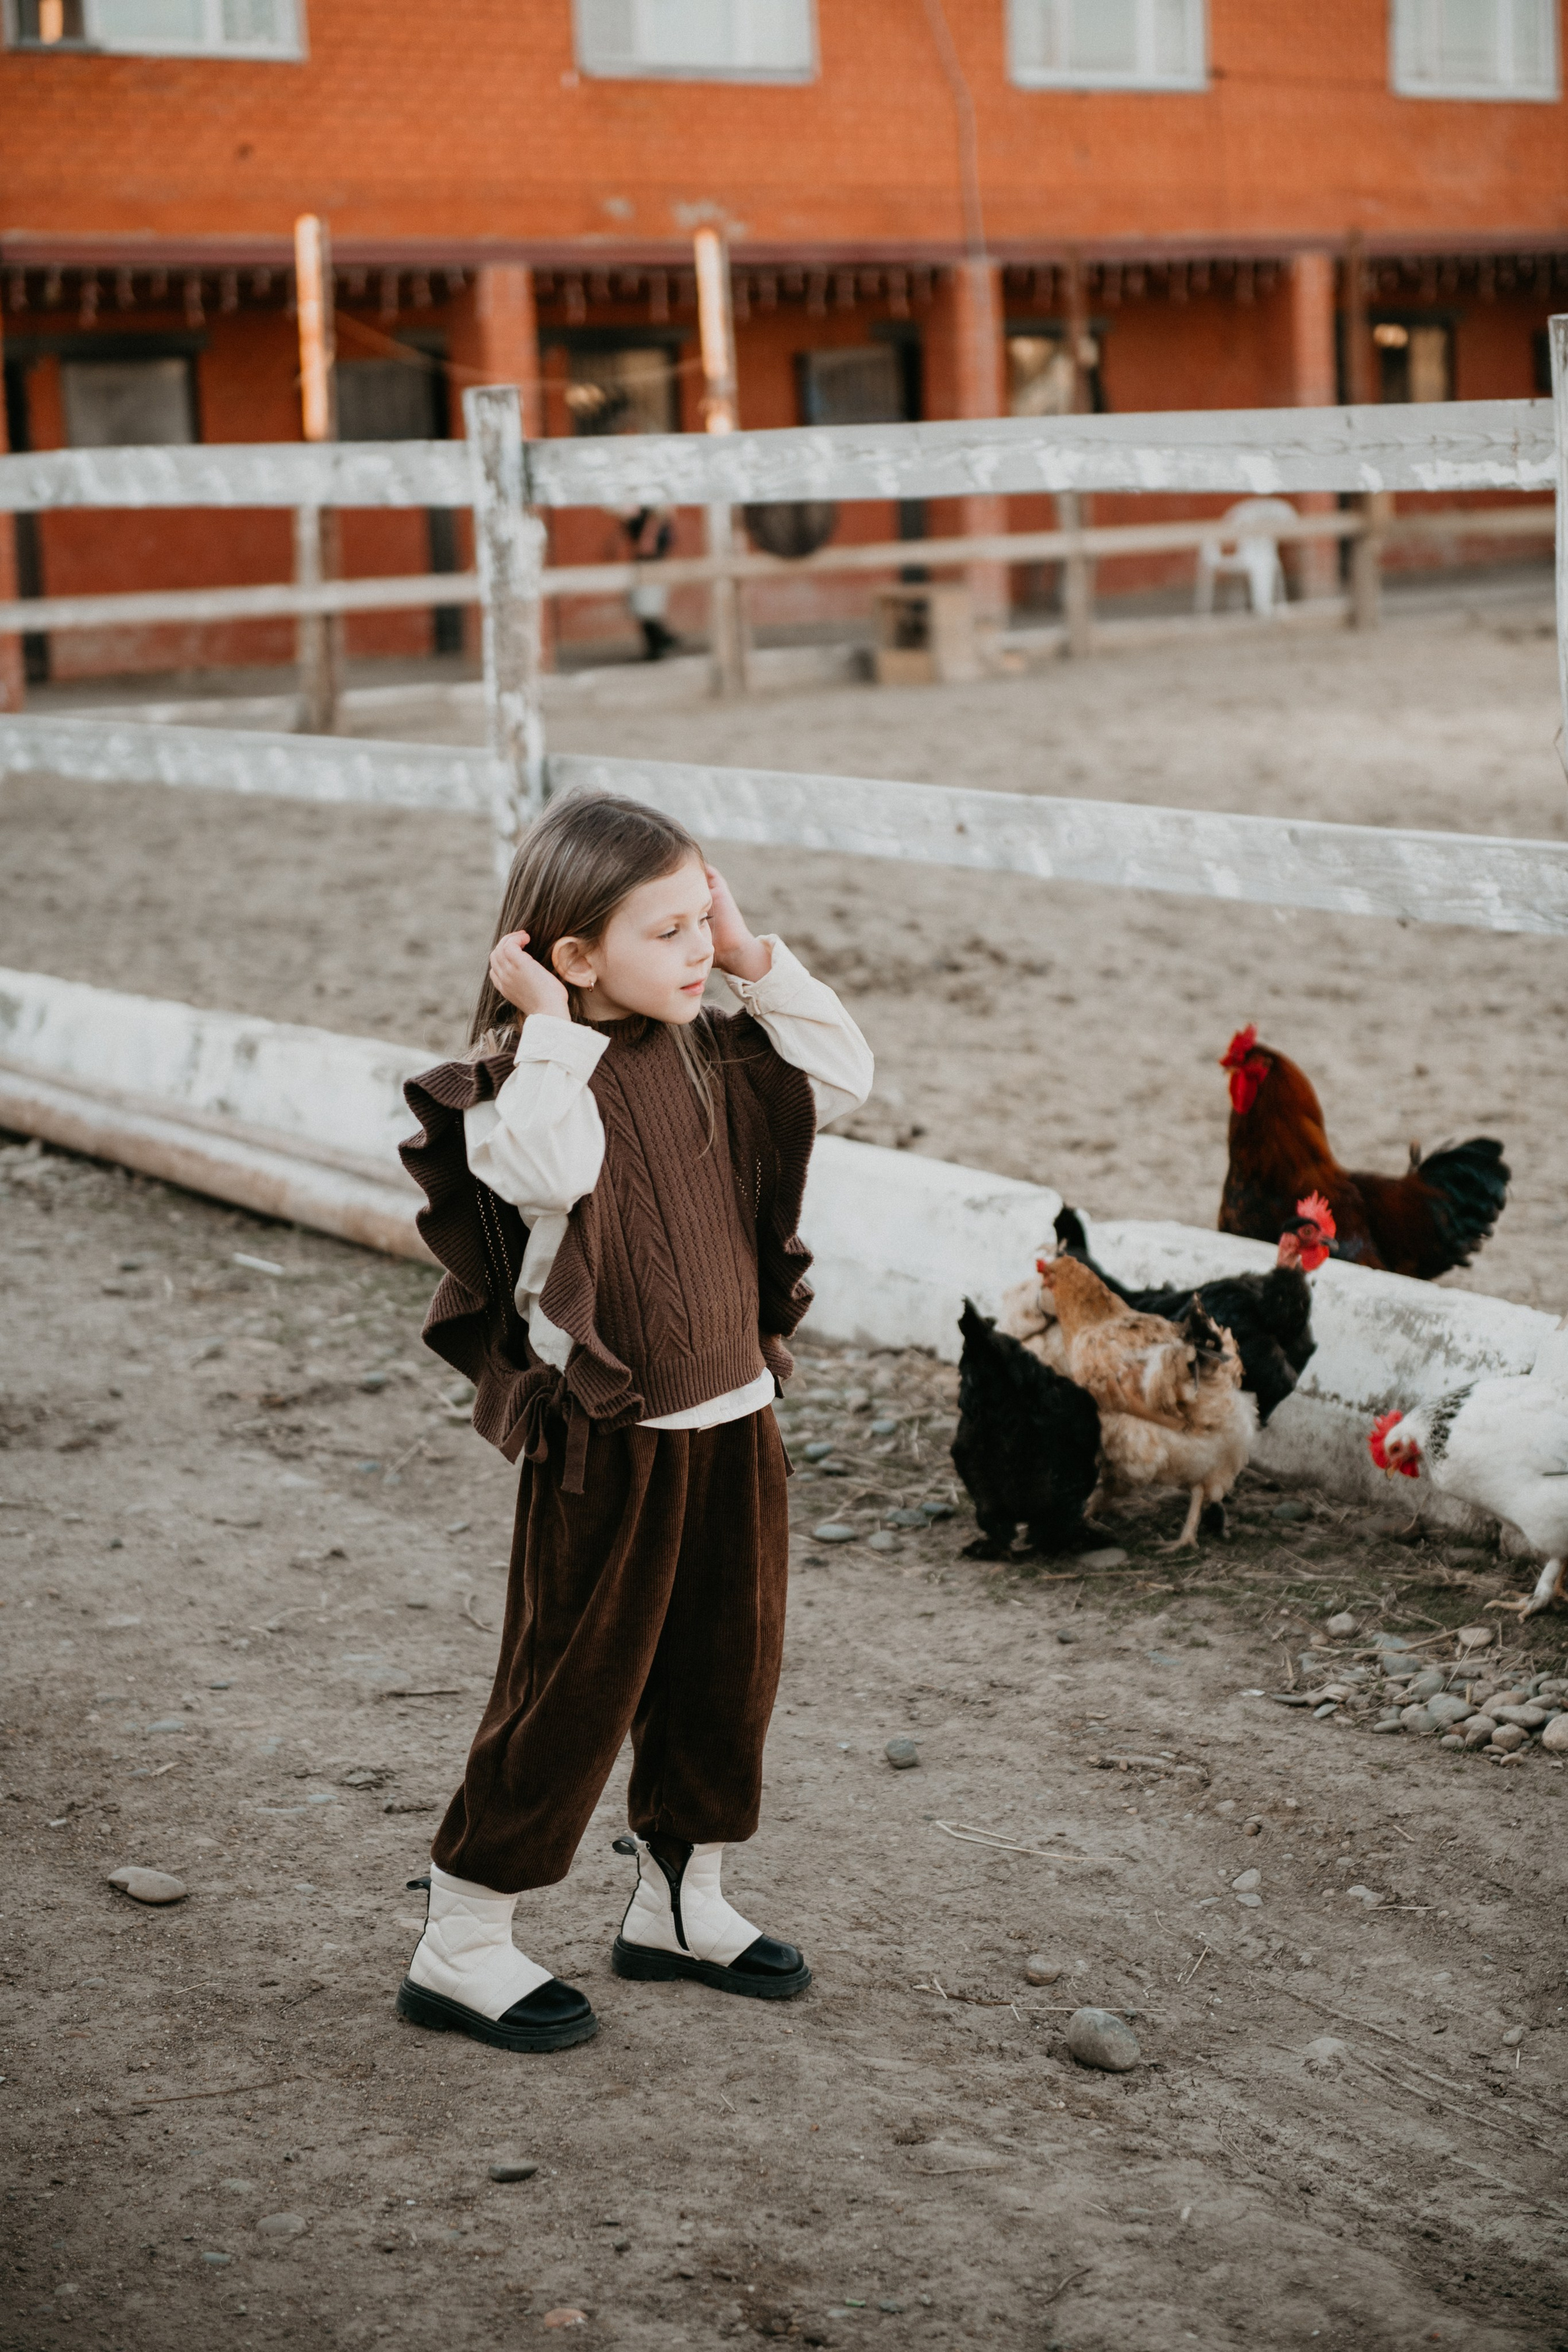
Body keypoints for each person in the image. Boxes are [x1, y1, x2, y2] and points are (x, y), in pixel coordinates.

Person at [395, 792, 873, 2052]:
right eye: (667, 930)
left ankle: (678, 1902)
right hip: (608, 1442)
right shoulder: (519, 1085)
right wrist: (548, 1031)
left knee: (727, 1669)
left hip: (734, 1416)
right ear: (571, 958)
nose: (699, 948)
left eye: (700, 913)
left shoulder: (716, 1044)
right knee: (569, 1685)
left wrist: (751, 948)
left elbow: (846, 1069)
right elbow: (551, 1173)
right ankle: (463, 1940)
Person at [623, 503, 678, 660]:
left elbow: (646, 547)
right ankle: (663, 640)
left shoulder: (653, 518)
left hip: (650, 563)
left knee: (646, 608)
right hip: (650, 563)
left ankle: (661, 642)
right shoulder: (652, 515)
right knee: (645, 607)